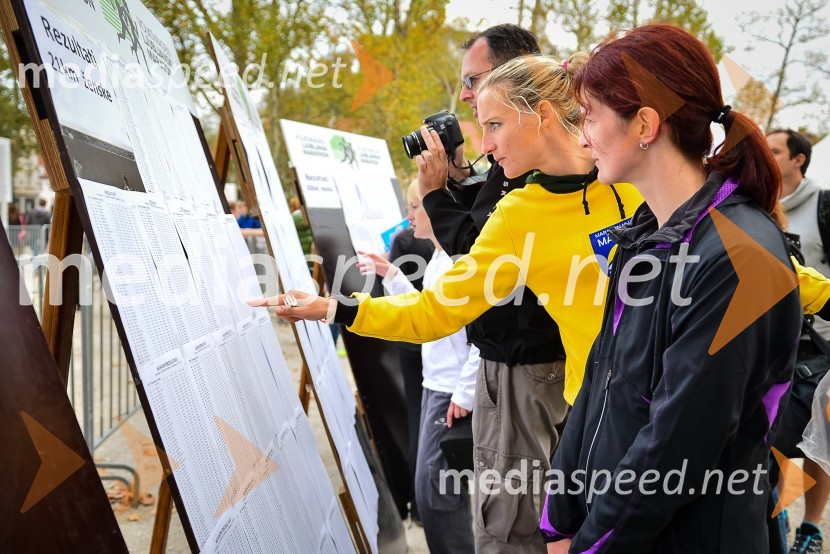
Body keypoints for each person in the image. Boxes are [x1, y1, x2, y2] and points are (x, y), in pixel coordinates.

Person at [248, 53, 644, 552]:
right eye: (482, 128)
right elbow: (434, 311)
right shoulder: (517, 215)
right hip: (594, 417)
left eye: (495, 124)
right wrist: (332, 308)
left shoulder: (632, 173)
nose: (487, 144)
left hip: (671, 408)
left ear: (542, 114)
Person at [541, 24, 802, 553]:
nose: (583, 135)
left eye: (590, 117)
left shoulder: (740, 257)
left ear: (644, 124)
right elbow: (598, 386)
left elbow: (676, 446)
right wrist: (558, 521)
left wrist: (591, 545)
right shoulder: (644, 239)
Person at [417, 25, 572, 552]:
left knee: (508, 524)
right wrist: (462, 174)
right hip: (539, 364)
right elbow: (487, 234)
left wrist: (435, 193)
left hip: (521, 367)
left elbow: (475, 250)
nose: (464, 95)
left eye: (476, 81)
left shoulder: (531, 175)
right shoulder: (535, 165)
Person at [358, 183, 477, 552]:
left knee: (439, 496)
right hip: (436, 388)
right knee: (431, 494)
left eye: (415, 206)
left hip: (450, 393)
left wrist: (465, 392)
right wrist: (391, 275)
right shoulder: (440, 258)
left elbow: (482, 336)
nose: (408, 215)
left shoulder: (458, 261)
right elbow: (425, 315)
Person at [767, 128, 830, 554]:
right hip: (779, 342)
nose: (768, 158)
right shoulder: (762, 203)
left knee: (818, 439)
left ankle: (810, 527)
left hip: (823, 345)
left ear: (798, 160)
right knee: (773, 433)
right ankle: (777, 510)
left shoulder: (824, 205)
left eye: (775, 151)